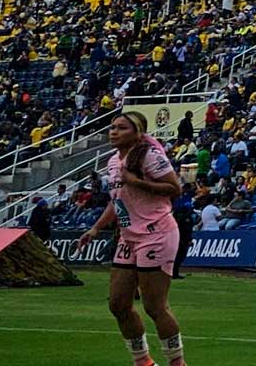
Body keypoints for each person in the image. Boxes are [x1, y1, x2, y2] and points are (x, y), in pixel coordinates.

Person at [75, 111, 189, 366]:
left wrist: (137, 182)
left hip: (156, 232)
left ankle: (177, 363)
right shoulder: (113, 161)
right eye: (112, 127)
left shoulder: (150, 155)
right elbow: (117, 200)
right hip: (129, 236)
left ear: (137, 133)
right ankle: (143, 362)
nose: (114, 132)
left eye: (122, 128)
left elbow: (175, 188)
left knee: (154, 306)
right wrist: (95, 228)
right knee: (118, 304)